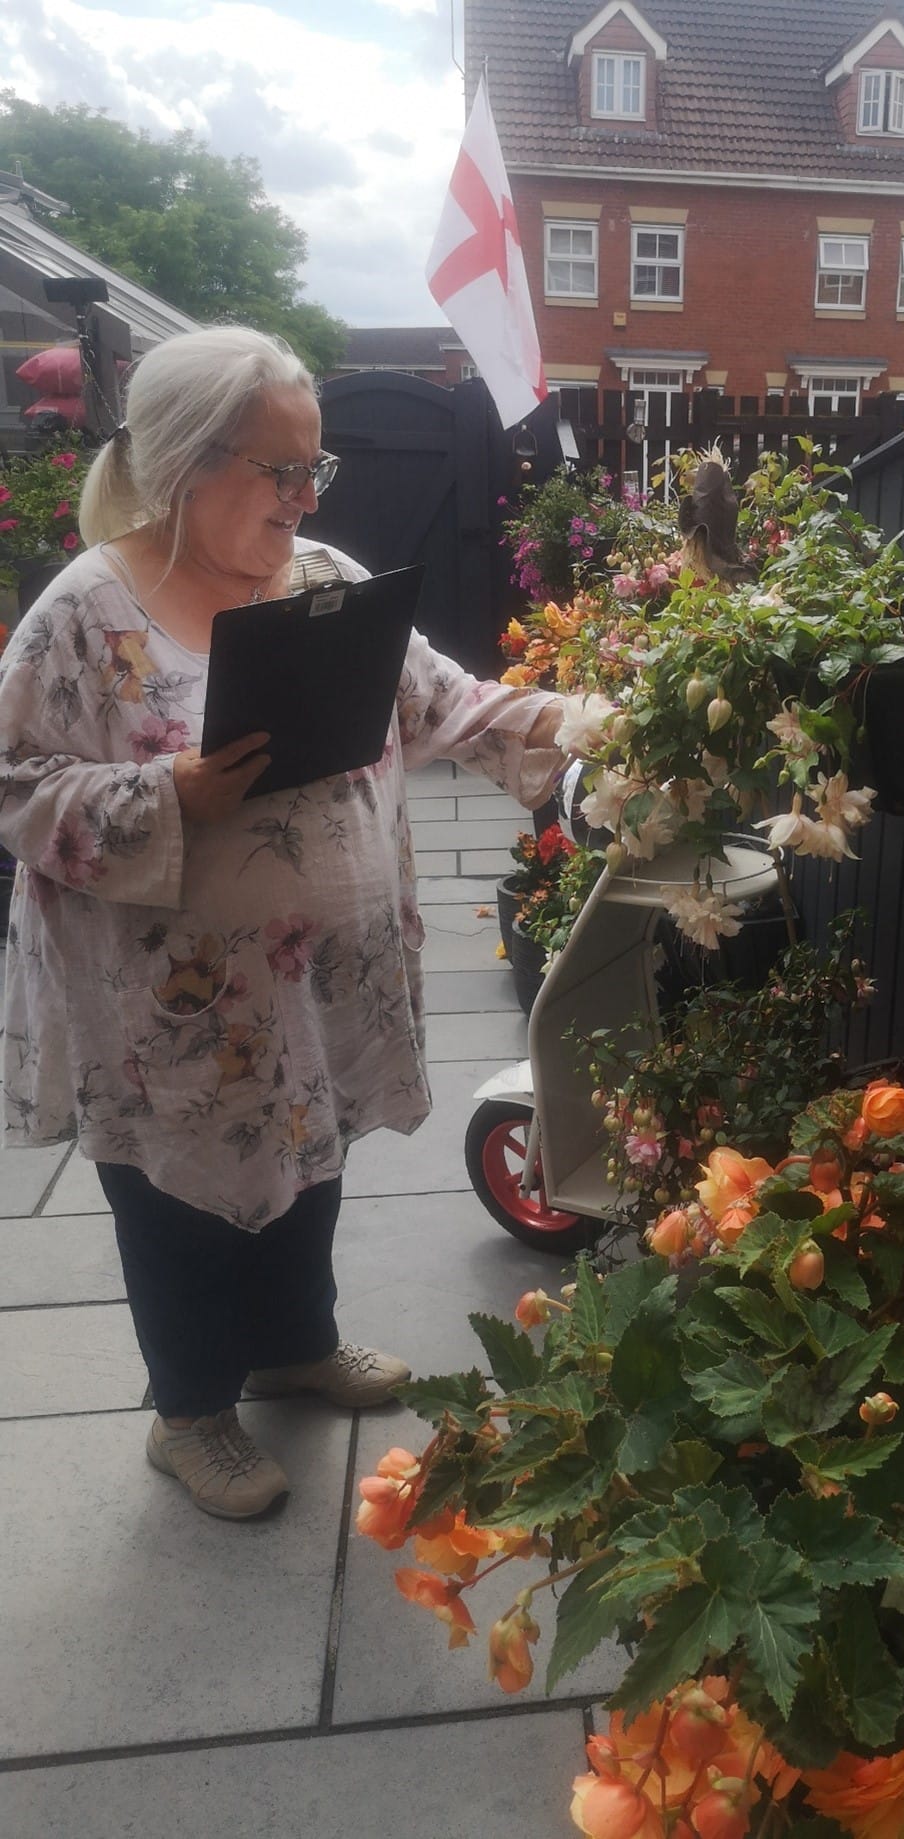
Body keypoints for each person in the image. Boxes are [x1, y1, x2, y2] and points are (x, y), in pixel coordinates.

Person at [0, 327, 567, 1520]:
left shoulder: (322, 580)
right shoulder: (85, 612)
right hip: (162, 1016)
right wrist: (164, 796)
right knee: (180, 1205)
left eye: (317, 471)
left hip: (312, 988)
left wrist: (600, 728)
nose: (305, 496)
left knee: (311, 1164)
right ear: (182, 462)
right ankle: (191, 1412)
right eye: (281, 470)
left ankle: (292, 1346)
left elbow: (447, 701)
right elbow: (12, 784)